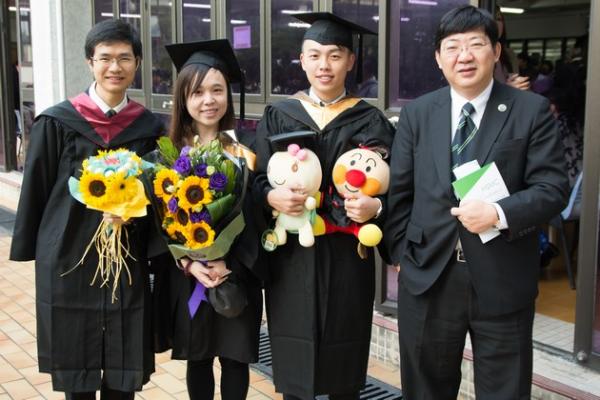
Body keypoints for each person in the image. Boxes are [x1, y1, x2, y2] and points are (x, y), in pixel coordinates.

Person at [385, 5, 569, 399]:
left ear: (496, 51)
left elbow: (553, 188)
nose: (464, 56)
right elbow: (399, 192)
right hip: (428, 276)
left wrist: (500, 213)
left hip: (503, 275)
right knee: (425, 389)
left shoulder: (530, 110)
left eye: (475, 44)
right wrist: (401, 253)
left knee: (505, 389)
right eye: (452, 47)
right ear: (438, 58)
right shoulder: (418, 113)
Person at [9, 20, 165, 399]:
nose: (115, 67)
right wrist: (35, 248)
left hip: (125, 257)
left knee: (122, 368)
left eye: (124, 58)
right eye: (106, 58)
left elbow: (159, 195)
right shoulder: (56, 121)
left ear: (137, 63)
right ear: (90, 62)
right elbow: (37, 189)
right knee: (75, 369)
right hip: (68, 256)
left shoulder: (148, 128)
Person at [253, 12, 395, 400]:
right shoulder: (279, 115)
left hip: (349, 253)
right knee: (294, 348)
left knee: (345, 350)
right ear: (301, 60)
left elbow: (395, 182)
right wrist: (270, 195)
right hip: (291, 253)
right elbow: (256, 178)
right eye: (314, 55)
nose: (324, 65)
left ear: (350, 61)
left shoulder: (370, 118)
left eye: (334, 55)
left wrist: (375, 206)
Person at [161, 39, 265, 400]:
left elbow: (259, 219)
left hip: (238, 274)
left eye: (217, 90)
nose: (209, 100)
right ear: (183, 99)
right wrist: (189, 262)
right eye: (198, 92)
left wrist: (227, 262)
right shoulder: (168, 154)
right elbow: (161, 224)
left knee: (236, 361)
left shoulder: (248, 150)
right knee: (198, 360)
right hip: (190, 280)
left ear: (228, 97)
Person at [494, 6, 529, 90]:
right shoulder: (477, 54)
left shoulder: (509, 54)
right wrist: (507, 88)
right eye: (494, 19)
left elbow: (516, 78)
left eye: (499, 19)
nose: (497, 23)